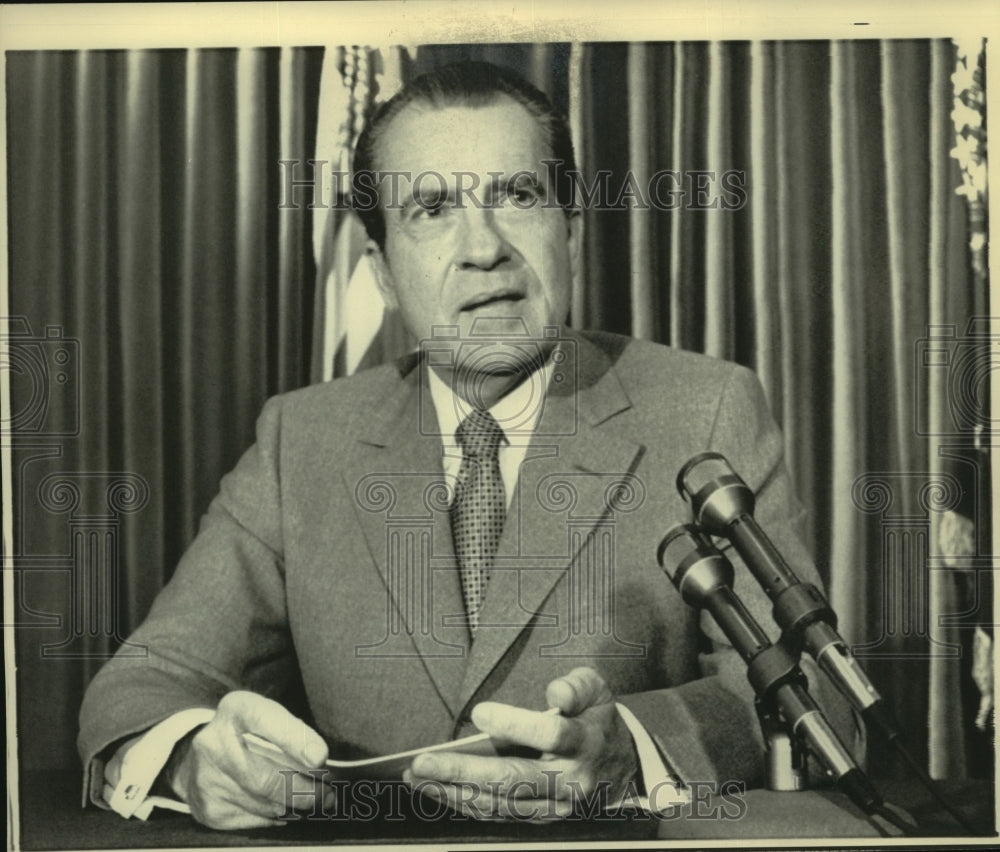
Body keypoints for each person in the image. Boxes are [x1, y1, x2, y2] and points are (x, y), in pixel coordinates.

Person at [78, 60, 861, 831]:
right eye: (431, 209)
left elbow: (820, 701)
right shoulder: (302, 440)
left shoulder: (705, 410)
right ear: (382, 272)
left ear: (572, 232)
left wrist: (631, 747)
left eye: (517, 196)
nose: (483, 247)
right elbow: (145, 683)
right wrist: (192, 760)